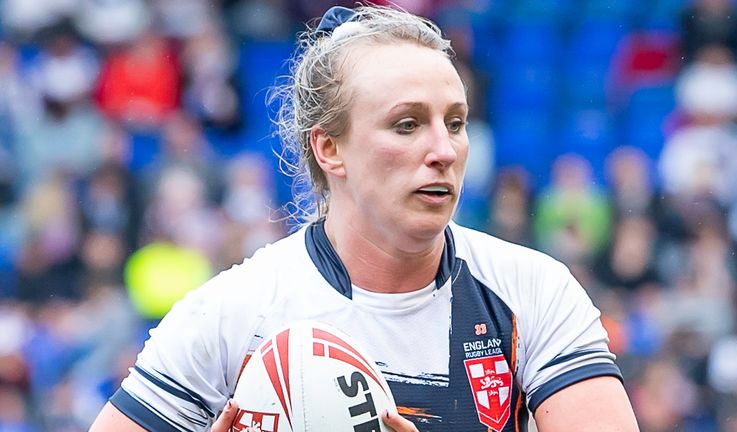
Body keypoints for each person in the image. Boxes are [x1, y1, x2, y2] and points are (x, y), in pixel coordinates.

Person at [90, 5, 639, 431]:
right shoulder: (230, 315)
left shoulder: (533, 291)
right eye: (406, 125)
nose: (444, 149)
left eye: (455, 122)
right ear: (330, 149)